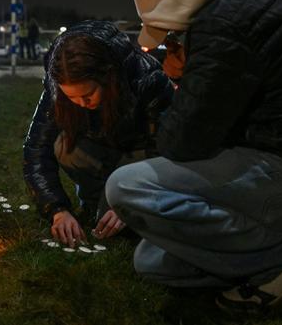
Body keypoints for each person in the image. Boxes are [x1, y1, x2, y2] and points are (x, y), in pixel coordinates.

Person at [105, 0, 282, 313]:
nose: (170, 44)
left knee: (125, 187)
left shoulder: (225, 28)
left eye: (168, 33)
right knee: (150, 262)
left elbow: (182, 142)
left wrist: (181, 77)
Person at [23, 20, 174, 248]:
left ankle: (118, 204)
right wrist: (57, 209)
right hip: (101, 155)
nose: (81, 104)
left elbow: (166, 151)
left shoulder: (147, 79)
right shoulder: (57, 89)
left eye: (88, 94)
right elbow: (36, 150)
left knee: (128, 224)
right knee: (63, 145)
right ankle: (97, 203)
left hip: (139, 157)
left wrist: (130, 203)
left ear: (108, 78)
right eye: (71, 98)